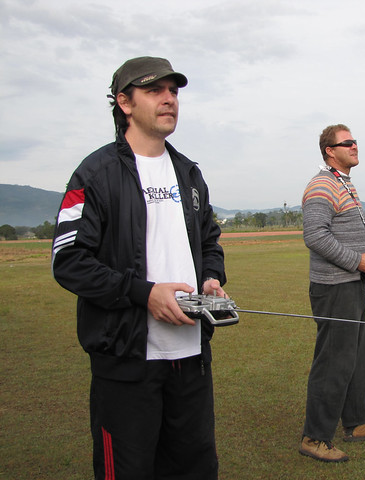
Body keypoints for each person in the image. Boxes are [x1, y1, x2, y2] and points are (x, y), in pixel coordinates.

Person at [52, 56, 226, 479]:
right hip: (127, 361)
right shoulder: (94, 174)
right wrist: (144, 293)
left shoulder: (189, 173)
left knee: (195, 467)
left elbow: (209, 242)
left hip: (191, 360)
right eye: (155, 90)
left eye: (174, 91)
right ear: (124, 103)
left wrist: (211, 278)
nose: (169, 99)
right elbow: (68, 260)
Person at [299, 124, 365, 463]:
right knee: (334, 362)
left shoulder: (343, 184)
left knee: (358, 355)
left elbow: (342, 236)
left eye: (355, 141)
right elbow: (315, 236)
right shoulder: (322, 184)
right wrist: (359, 261)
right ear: (329, 150)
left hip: (352, 284)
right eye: (347, 142)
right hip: (334, 288)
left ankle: (357, 423)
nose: (355, 146)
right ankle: (315, 437)